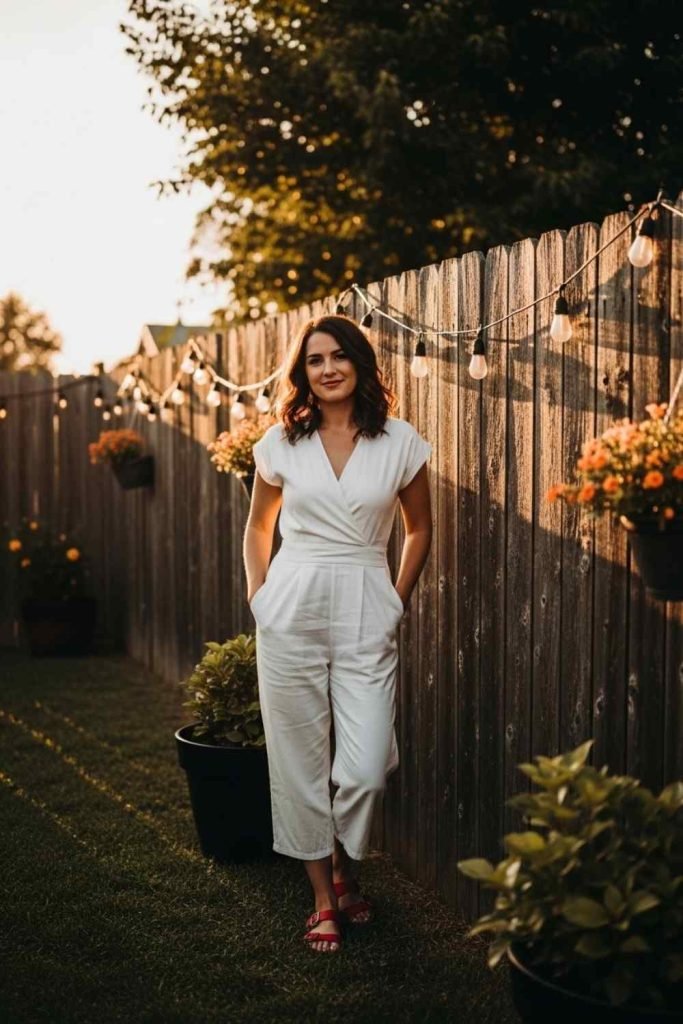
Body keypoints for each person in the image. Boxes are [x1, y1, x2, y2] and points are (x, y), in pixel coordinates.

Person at [243, 313, 433, 953]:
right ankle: (326, 894)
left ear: (359, 363)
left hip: (364, 605)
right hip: (291, 604)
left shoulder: (400, 442)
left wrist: (395, 600)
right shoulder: (281, 443)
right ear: (303, 373)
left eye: (338, 357)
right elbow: (257, 527)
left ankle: (345, 861)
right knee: (298, 760)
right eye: (315, 360)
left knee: (368, 765)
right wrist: (260, 596)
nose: (327, 370)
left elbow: (421, 528)